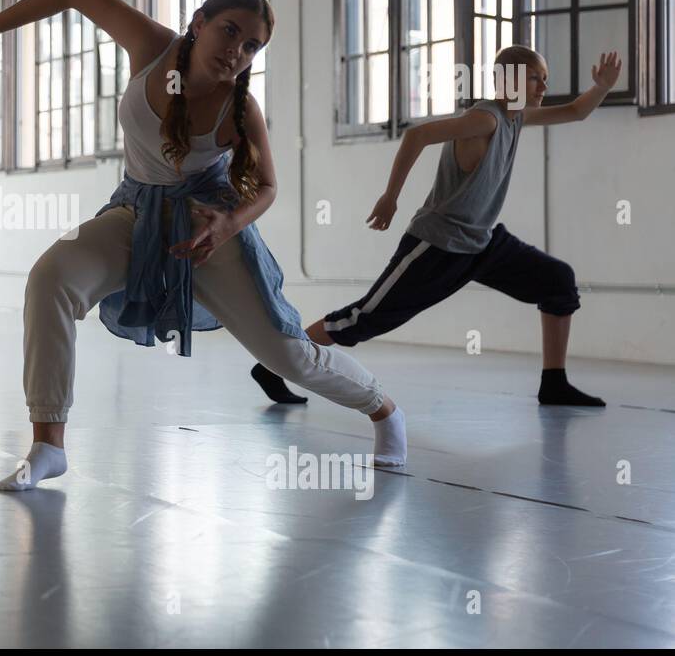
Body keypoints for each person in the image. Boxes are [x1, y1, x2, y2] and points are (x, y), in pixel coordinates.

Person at [0, 0, 408, 491]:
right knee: (50, 278)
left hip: (205, 226)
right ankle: (48, 445)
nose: (236, 52)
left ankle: (384, 411)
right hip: (135, 210)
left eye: (251, 46)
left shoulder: (237, 106)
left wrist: (228, 225)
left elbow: (266, 187)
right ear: (198, 22)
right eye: (229, 32)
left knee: (287, 356)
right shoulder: (151, 47)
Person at [252, 44, 622, 408]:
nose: (542, 87)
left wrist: (601, 87)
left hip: (483, 243)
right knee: (361, 319)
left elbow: (575, 111)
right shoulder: (486, 118)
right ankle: (275, 364)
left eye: (544, 79)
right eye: (534, 79)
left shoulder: (517, 116)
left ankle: (554, 385)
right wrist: (390, 197)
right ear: (507, 81)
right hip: (438, 245)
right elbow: (417, 135)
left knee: (557, 280)